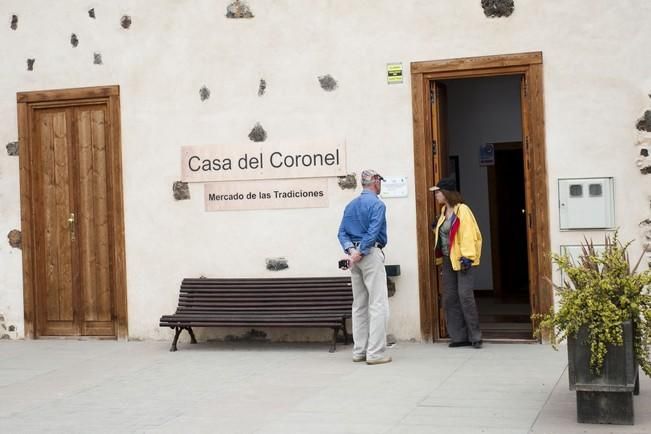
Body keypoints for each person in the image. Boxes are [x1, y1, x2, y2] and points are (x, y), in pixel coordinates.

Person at [337, 169, 391, 365]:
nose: (381, 185)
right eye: (380, 181)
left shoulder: (350, 205)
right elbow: (373, 231)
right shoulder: (377, 204)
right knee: (378, 304)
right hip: (369, 255)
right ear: (375, 181)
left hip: (355, 257)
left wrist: (351, 251)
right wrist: (360, 252)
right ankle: (375, 352)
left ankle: (359, 350)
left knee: (359, 305)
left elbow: (342, 232)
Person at [430, 177, 483, 349]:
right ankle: (459, 337)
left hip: (463, 260)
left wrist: (468, 256)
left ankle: (475, 336)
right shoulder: (444, 211)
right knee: (450, 298)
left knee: (465, 297)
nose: (436, 195)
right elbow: (445, 237)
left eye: (438, 192)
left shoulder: (462, 210)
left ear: (446, 193)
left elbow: (468, 233)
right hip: (448, 260)